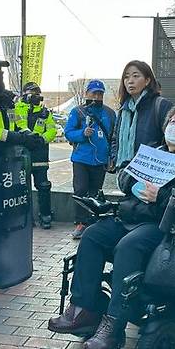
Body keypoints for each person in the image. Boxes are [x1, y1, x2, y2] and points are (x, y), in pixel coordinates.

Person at [49, 102, 175, 349]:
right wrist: (133, 185)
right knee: (93, 235)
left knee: (128, 247)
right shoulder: (154, 150)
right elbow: (125, 174)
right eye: (173, 122)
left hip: (171, 227)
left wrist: (162, 195)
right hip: (133, 217)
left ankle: (114, 324)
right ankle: (83, 308)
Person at [64, 80, 116, 239]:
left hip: (100, 160)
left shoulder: (109, 113)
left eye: (100, 93)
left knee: (95, 192)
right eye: (94, 93)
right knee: (80, 191)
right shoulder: (77, 112)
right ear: (87, 93)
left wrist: (112, 157)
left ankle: (92, 222)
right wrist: (81, 134)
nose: (96, 96)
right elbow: (68, 132)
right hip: (81, 159)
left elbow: (114, 136)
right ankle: (80, 223)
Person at [111, 60, 173, 171]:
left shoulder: (161, 105)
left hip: (151, 171)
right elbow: (115, 139)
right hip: (125, 172)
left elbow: (171, 141)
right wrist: (116, 159)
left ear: (147, 80)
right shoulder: (124, 110)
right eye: (126, 77)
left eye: (136, 76)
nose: (130, 81)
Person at [15, 82, 57, 229]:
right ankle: (26, 217)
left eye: (37, 93)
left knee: (43, 186)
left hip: (40, 154)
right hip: (20, 154)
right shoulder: (15, 108)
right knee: (21, 188)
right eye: (32, 93)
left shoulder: (46, 112)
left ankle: (45, 215)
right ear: (25, 94)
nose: (36, 96)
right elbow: (14, 126)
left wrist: (41, 139)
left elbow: (52, 130)